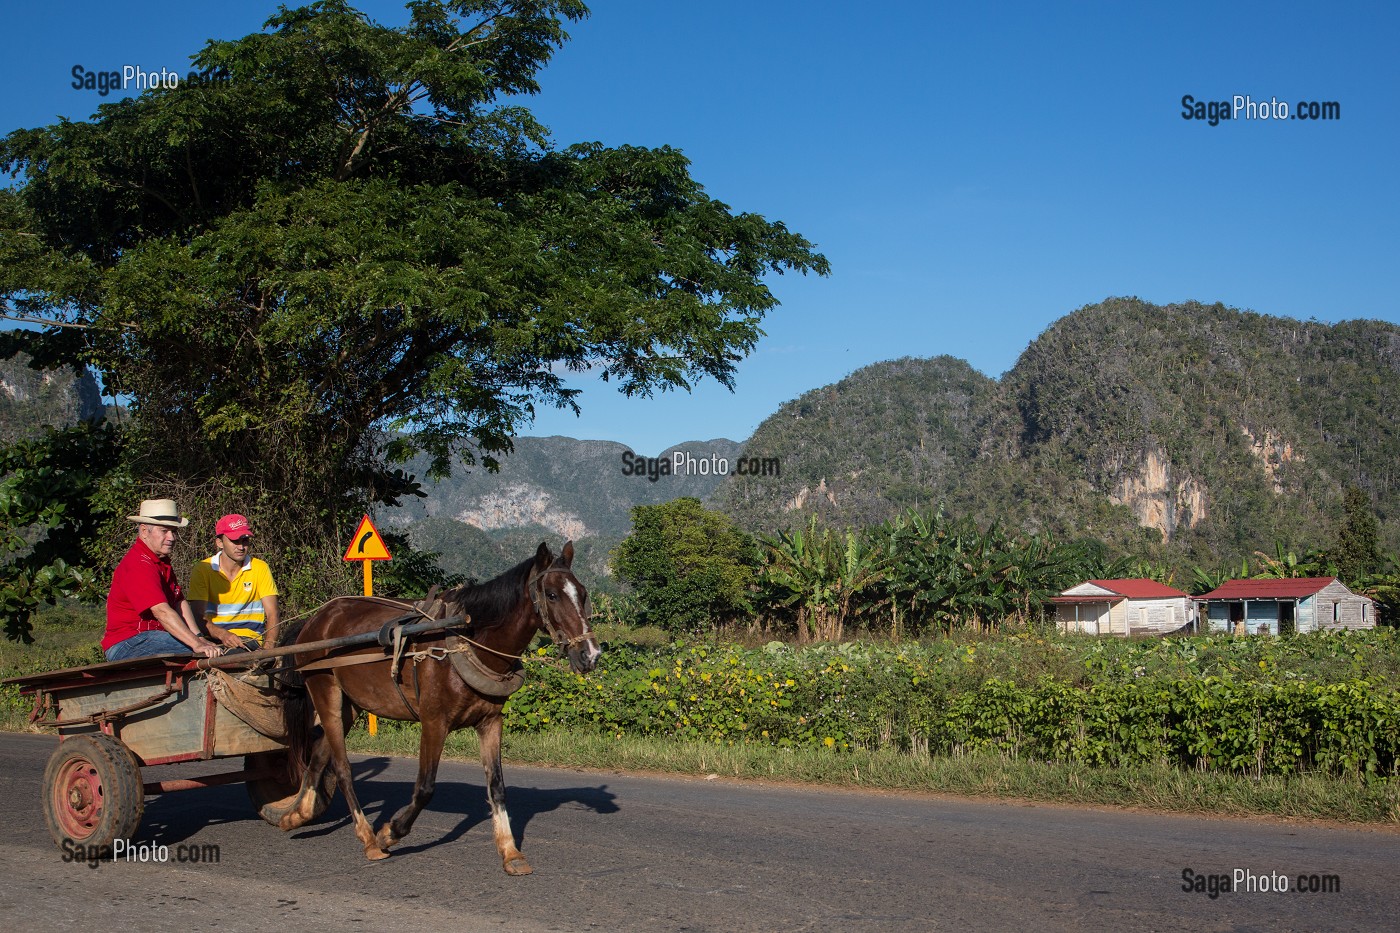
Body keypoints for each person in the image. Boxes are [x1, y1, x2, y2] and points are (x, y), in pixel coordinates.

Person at [102, 499, 228, 661]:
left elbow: (179, 602)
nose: (172, 537)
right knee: (203, 651)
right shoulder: (138, 564)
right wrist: (196, 644)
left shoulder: (161, 562)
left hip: (151, 637)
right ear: (144, 531)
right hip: (128, 642)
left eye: (174, 531)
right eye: (164, 531)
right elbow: (161, 611)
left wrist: (199, 637)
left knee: (210, 648)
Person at [188, 513, 281, 648]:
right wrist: (223, 635)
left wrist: (268, 648)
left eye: (245, 540)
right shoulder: (202, 569)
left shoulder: (260, 568)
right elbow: (198, 615)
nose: (241, 547)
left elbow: (273, 613)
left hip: (249, 640)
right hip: (212, 641)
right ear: (219, 542)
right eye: (234, 541)